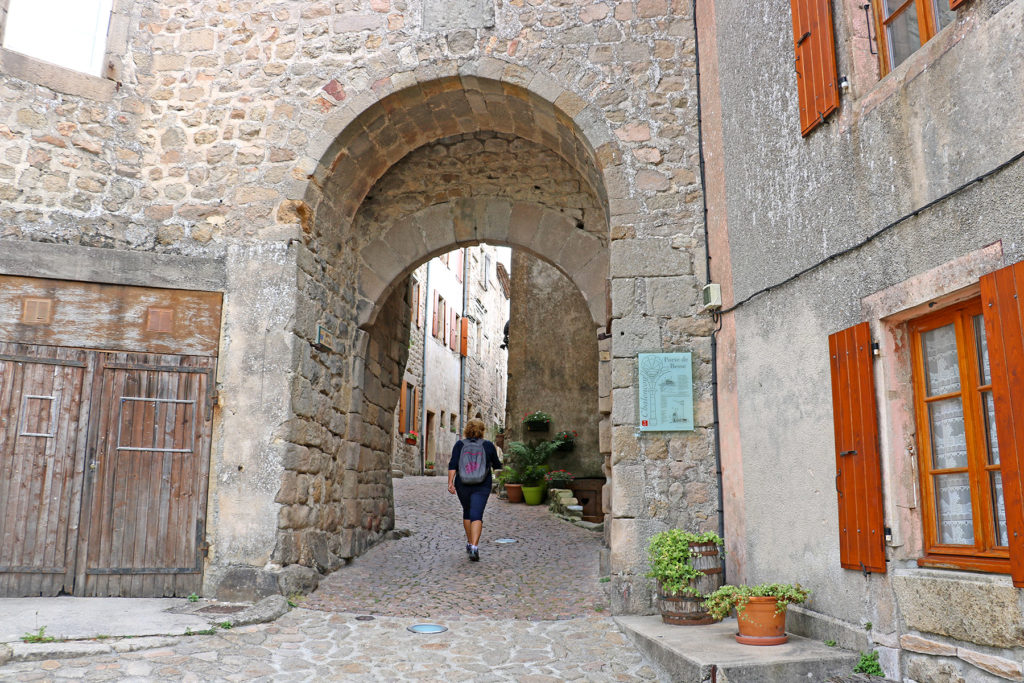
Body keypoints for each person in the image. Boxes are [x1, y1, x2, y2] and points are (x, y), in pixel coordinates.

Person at [447, 419, 502, 561]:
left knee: (467, 512)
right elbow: (497, 465)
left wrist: (450, 483)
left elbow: (453, 464)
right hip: (482, 484)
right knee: (477, 514)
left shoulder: (459, 445)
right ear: (482, 430)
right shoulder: (488, 446)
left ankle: (470, 542)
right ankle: (474, 547)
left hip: (463, 484)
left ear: (467, 429)